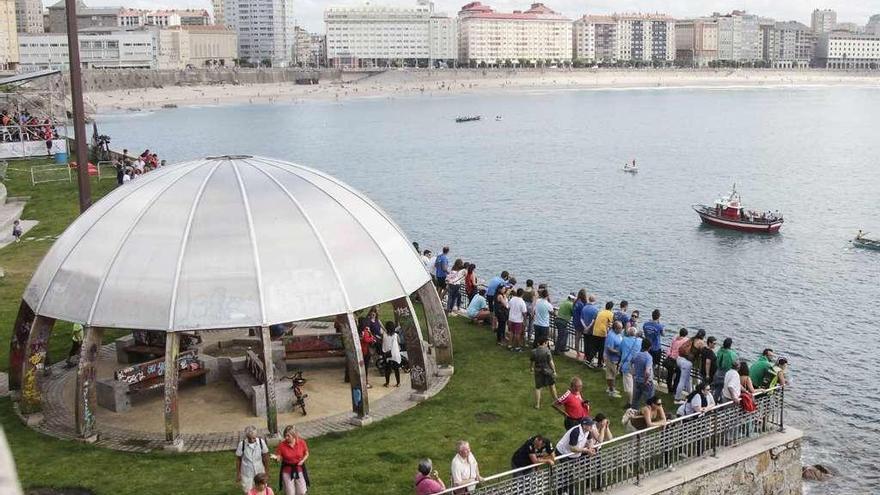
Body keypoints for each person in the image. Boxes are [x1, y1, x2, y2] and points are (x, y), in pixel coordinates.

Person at [272, 425, 309, 495]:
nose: (286, 438)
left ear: (294, 435)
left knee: (302, 492)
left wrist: (302, 461)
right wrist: (276, 458)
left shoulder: (301, 442)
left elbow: (306, 453)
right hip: (287, 471)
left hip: (299, 469)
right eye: (285, 436)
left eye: (288, 436)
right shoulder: (281, 445)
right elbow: (279, 457)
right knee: (290, 493)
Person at [236, 426, 270, 494]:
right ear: (246, 436)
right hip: (247, 473)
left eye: (253, 438)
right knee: (248, 491)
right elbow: (238, 460)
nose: (251, 440)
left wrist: (266, 471)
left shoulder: (261, 442)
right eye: (249, 438)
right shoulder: (241, 444)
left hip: (259, 471)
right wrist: (238, 473)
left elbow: (265, 457)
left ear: (256, 435)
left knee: (262, 491)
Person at [674, 330, 705, 402]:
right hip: (687, 363)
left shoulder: (692, 338)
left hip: (679, 359)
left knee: (688, 379)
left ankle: (690, 395)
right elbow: (704, 351)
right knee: (682, 381)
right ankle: (677, 399)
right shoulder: (700, 342)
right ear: (703, 336)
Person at [530, 337, 557, 409]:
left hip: (538, 371)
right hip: (547, 370)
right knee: (552, 385)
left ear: (538, 343)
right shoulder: (547, 351)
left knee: (538, 388)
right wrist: (554, 371)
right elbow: (551, 362)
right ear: (545, 343)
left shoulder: (534, 351)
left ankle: (537, 404)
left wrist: (531, 368)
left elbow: (532, 362)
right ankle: (556, 401)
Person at [618, 326, 642, 407]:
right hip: (637, 366)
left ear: (628, 333)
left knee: (628, 386)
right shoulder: (640, 341)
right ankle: (635, 398)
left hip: (627, 365)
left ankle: (630, 402)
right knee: (634, 383)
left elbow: (620, 350)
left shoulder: (624, 340)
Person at [630, 339, 654, 408]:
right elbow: (647, 371)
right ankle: (648, 415)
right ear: (650, 347)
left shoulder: (636, 354)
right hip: (646, 382)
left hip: (637, 380)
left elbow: (631, 363)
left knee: (635, 400)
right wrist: (646, 381)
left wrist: (633, 373)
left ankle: (633, 414)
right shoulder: (648, 357)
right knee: (649, 401)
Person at [589, 301, 614, 368]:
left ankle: (588, 360)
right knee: (601, 349)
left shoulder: (601, 312)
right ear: (611, 308)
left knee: (594, 347)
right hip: (602, 333)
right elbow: (612, 324)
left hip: (595, 331)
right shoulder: (610, 314)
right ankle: (599, 363)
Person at [665, 328, 689, 397]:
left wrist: (669, 355)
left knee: (669, 375)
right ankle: (674, 390)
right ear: (686, 335)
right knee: (678, 377)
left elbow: (670, 347)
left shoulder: (675, 338)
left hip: (671, 359)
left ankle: (669, 389)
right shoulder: (686, 341)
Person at [603, 321, 623, 398]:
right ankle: (612, 391)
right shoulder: (611, 336)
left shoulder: (617, 334)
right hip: (611, 359)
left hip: (615, 359)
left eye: (621, 328)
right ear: (615, 328)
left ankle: (611, 388)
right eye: (620, 328)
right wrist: (618, 352)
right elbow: (609, 348)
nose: (621, 330)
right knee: (612, 375)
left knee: (611, 374)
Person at [642, 309, 664, 375]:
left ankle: (644, 374)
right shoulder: (659, 326)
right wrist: (659, 323)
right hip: (655, 348)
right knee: (653, 364)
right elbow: (663, 334)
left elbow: (645, 332)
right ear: (659, 317)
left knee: (646, 362)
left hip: (646, 346)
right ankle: (650, 375)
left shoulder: (645, 324)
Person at [580, 295, 599, 364]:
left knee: (586, 343)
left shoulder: (584, 308)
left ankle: (586, 356)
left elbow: (581, 318)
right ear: (594, 301)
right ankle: (589, 359)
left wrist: (585, 327)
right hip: (591, 330)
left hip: (584, 329)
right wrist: (588, 327)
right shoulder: (596, 310)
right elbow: (594, 321)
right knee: (591, 344)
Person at [382, 321, 402, 387]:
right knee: (396, 369)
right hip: (395, 354)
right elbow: (399, 341)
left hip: (388, 355)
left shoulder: (384, 335)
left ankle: (387, 383)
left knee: (387, 370)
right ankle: (398, 383)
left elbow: (384, 344)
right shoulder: (396, 335)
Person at [572, 290, 588, 361]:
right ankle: (582, 354)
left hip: (575, 321)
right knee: (584, 339)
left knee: (577, 338)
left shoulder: (576, 302)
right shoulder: (581, 304)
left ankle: (577, 352)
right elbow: (584, 314)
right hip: (580, 323)